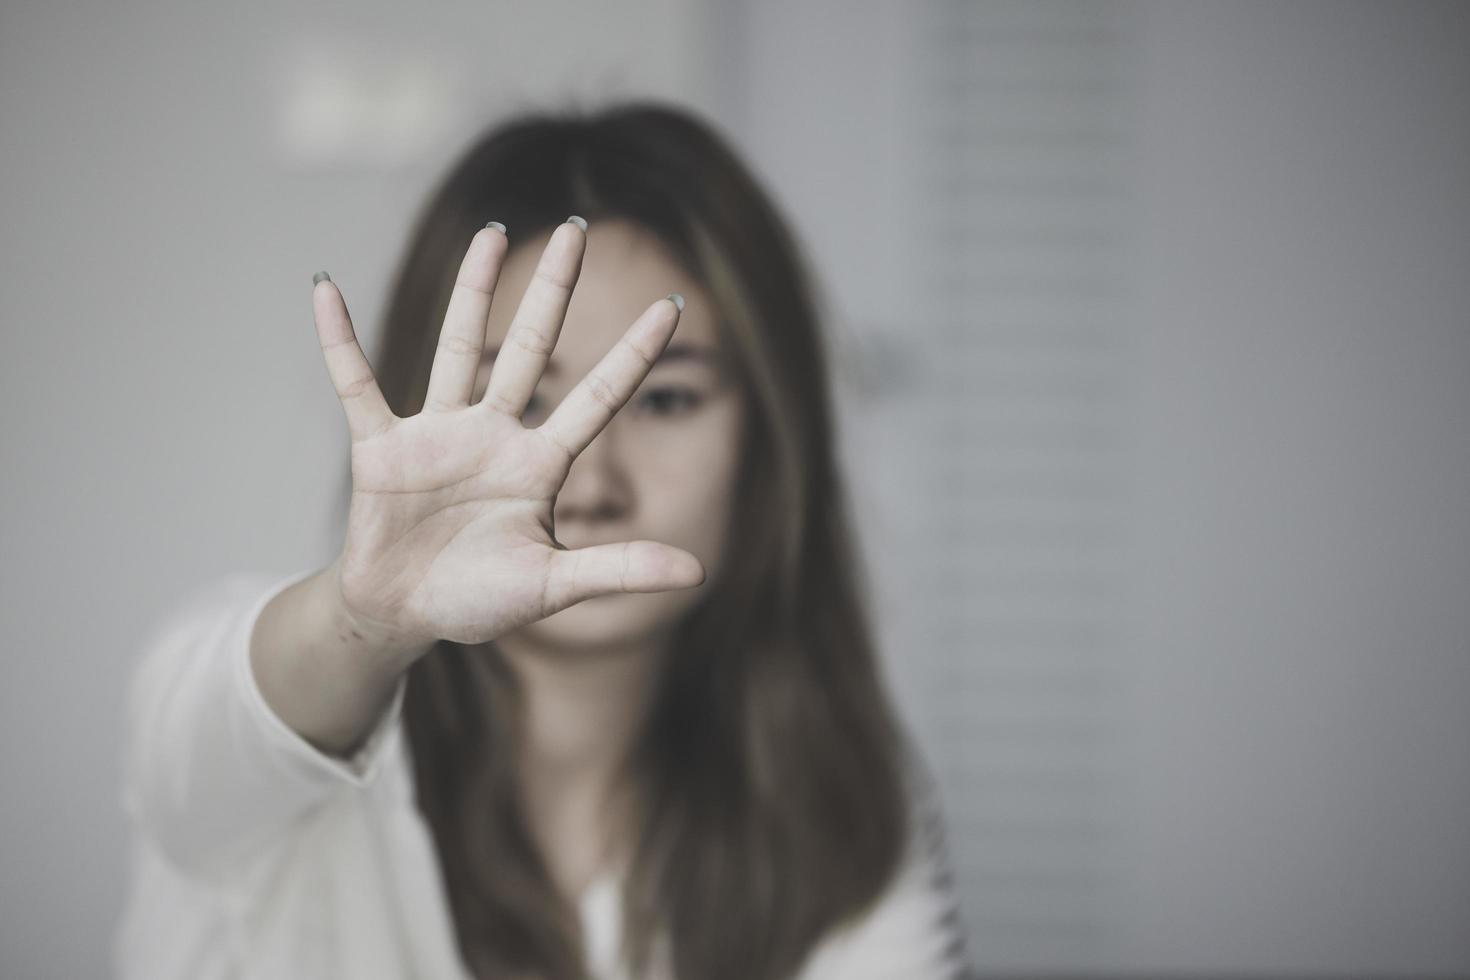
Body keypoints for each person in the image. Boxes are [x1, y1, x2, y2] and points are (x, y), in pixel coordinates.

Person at [115, 101, 970, 980]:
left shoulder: (844, 799)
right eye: (523, 403)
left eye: (668, 401)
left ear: (771, 442)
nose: (590, 485)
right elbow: (214, 722)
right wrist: (363, 619)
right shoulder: (258, 750)